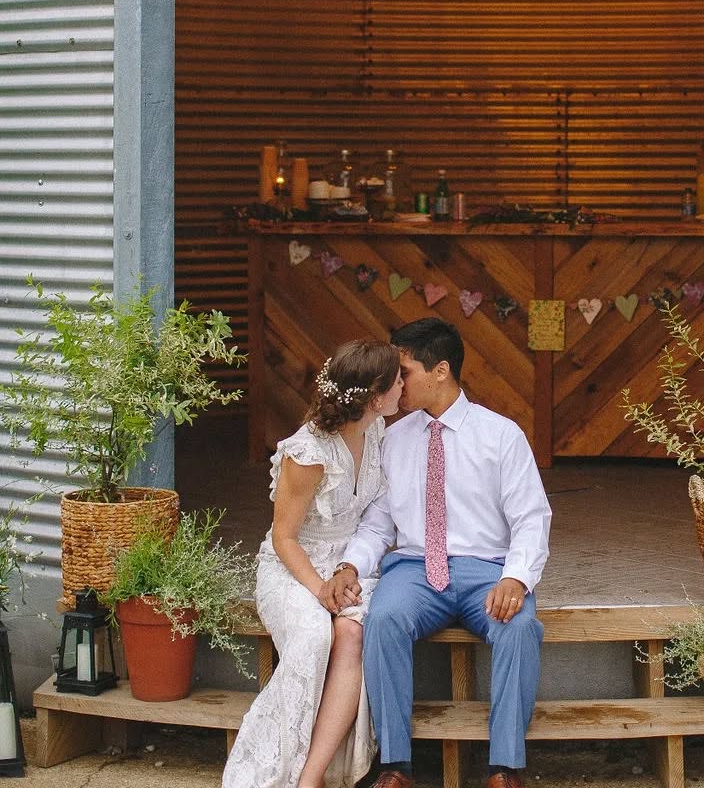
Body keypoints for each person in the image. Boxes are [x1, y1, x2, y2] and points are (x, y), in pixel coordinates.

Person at [336, 318, 552, 788]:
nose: (396, 382)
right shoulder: (391, 438)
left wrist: (515, 578)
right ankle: (396, 765)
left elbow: (532, 517)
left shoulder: (501, 435)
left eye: (404, 370)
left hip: (488, 571)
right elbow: (378, 522)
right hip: (414, 569)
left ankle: (504, 768)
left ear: (441, 371)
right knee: (384, 619)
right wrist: (350, 564)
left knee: (519, 628)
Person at [223, 338, 404, 788]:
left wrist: (348, 572)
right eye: (398, 379)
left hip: (353, 563)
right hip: (294, 566)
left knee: (352, 632)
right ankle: (268, 772)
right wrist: (319, 587)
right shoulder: (308, 454)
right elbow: (284, 538)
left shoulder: (377, 430)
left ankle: (311, 777)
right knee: (311, 637)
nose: (406, 385)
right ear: (376, 396)